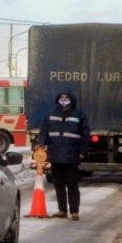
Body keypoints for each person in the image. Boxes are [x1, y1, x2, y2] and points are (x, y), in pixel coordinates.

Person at [37, 92, 91, 220]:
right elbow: (44, 130)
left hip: (71, 155)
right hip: (55, 155)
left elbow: (85, 133)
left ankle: (74, 212)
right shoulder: (51, 114)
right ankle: (62, 210)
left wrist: (83, 151)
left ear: (72, 100)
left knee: (72, 184)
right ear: (58, 100)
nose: (64, 100)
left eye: (67, 98)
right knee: (58, 184)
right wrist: (41, 144)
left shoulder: (79, 114)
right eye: (62, 98)